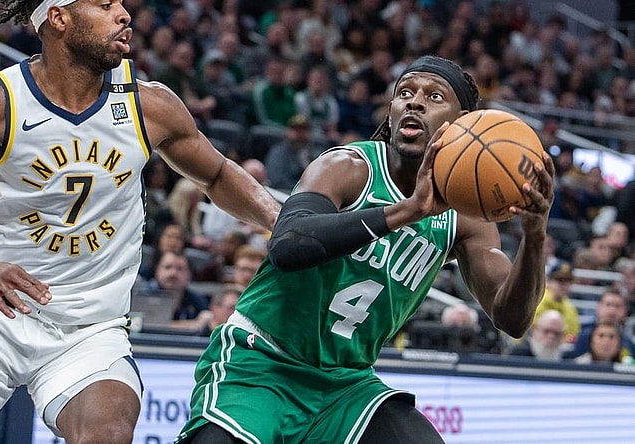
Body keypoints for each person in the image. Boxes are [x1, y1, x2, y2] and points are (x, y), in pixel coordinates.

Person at [0, 1, 279, 443]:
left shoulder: (149, 104)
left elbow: (218, 173)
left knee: (106, 434)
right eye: (105, 4)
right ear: (59, 18)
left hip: (90, 329)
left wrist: (280, 221)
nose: (125, 14)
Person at [177, 55, 554, 443]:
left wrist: (535, 235)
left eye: (434, 96)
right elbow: (288, 245)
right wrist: (404, 212)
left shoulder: (467, 218)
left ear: (463, 125)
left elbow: (513, 318)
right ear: (390, 113)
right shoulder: (349, 167)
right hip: (262, 361)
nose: (415, 102)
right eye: (404, 93)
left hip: (346, 385)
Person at [567, 287, 634, 358]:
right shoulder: (582, 334)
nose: (612, 311)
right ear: (598, 307)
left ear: (625, 311)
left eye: (617, 306)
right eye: (608, 304)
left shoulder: (628, 344)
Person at [533, 261, 581, 343]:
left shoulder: (570, 309)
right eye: (559, 280)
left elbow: (574, 335)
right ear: (549, 282)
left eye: (568, 281)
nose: (564, 284)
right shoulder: (536, 303)